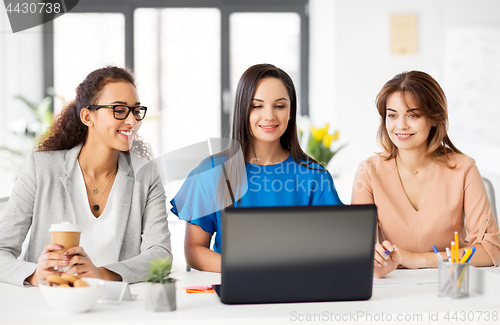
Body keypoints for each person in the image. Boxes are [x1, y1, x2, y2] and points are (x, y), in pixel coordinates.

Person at [0, 66, 172, 286]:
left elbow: (161, 254)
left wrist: (102, 274)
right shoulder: (41, 169)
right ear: (87, 116)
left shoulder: (145, 175)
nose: (132, 121)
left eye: (136, 111)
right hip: (51, 305)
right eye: (119, 110)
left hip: (117, 307)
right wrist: (36, 275)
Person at [171, 63, 343, 273]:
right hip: (235, 287)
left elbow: (336, 245)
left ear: (291, 112)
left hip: (297, 289)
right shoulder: (212, 172)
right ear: (243, 110)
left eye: (279, 106)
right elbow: (194, 250)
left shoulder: (315, 176)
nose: (269, 115)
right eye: (257, 106)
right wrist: (248, 269)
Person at [352, 70, 500, 278]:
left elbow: (490, 250)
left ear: (434, 118)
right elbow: (358, 250)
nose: (401, 125)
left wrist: (418, 259)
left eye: (413, 115)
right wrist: (375, 259)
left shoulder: (464, 168)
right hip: (394, 285)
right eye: (392, 115)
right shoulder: (368, 171)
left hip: (452, 282)